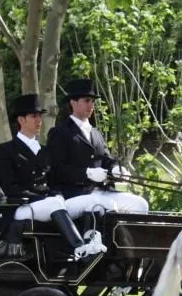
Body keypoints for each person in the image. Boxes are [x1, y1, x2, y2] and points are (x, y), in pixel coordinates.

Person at [0, 93, 105, 259]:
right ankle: (80, 248)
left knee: (92, 201)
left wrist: (57, 194)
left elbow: (53, 181)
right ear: (21, 120)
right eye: (34, 116)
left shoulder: (45, 151)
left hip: (49, 203)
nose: (39, 120)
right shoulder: (6, 150)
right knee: (53, 203)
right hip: (21, 206)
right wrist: (43, 198)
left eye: (40, 116)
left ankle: (91, 242)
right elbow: (10, 187)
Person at [46, 78, 149, 215]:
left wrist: (116, 170)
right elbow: (56, 170)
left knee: (139, 204)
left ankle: (123, 237)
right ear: (73, 102)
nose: (91, 105)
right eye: (87, 101)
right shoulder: (60, 132)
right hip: (74, 194)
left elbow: (106, 160)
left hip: (102, 191)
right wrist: (87, 173)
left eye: (93, 101)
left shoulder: (96, 133)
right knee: (100, 206)